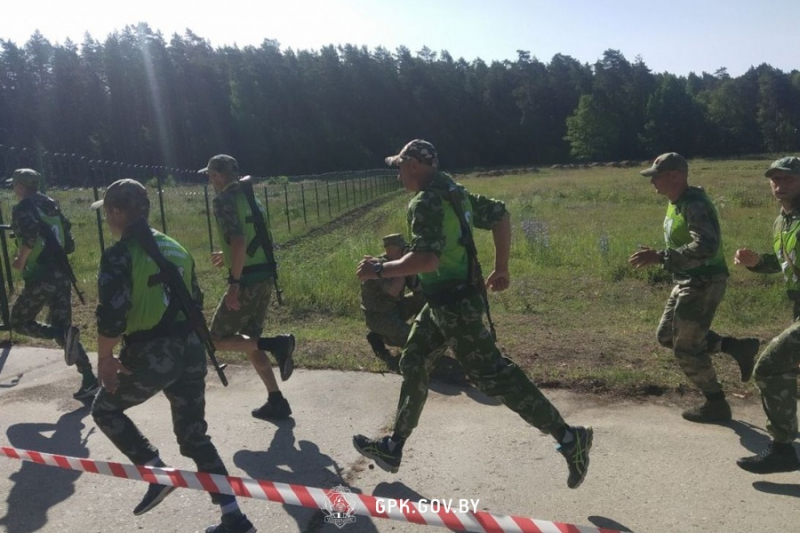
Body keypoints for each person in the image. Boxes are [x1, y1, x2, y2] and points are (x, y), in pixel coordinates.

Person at [352, 139, 593, 489]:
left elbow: (427, 260)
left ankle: (570, 440)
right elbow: (500, 214)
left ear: (414, 166)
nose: (398, 174)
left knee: (495, 376)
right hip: (443, 302)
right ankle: (393, 446)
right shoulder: (454, 191)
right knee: (415, 359)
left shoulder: (427, 201)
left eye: (400, 167)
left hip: (454, 306)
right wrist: (502, 267)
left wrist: (379, 269)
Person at [90, 179, 257, 533]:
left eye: (107, 212)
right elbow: (194, 300)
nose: (107, 219)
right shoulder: (176, 247)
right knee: (194, 435)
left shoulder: (120, 254)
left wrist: (105, 359)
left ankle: (155, 471)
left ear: (118, 212)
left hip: (154, 352)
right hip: (191, 350)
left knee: (104, 408)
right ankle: (233, 516)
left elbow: (113, 316)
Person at [629, 152, 761, 423]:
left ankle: (716, 403)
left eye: (657, 177)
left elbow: (707, 245)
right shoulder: (677, 202)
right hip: (687, 279)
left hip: (704, 280)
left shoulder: (694, 204)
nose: (652, 182)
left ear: (675, 176)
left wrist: (662, 256)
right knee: (667, 335)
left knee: (686, 347)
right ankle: (735, 347)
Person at [200, 154, 295, 421]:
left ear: (218, 176)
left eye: (209, 176)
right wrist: (227, 254)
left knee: (215, 339)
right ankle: (276, 400)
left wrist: (234, 283)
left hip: (248, 280)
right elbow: (252, 239)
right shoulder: (250, 197)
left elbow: (240, 241)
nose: (209, 182)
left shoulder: (224, 201)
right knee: (249, 341)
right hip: (264, 275)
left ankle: (278, 344)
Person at [732, 156, 800, 473]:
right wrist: (757, 262)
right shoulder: (783, 221)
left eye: (787, 178)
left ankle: (784, 449)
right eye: (774, 178)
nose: (779, 183)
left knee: (769, 368)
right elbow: (784, 264)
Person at [7, 168, 99, 400]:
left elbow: (29, 235)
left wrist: (20, 260)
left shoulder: (23, 208)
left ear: (20, 186)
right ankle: (89, 379)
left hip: (41, 274)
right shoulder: (51, 204)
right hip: (61, 272)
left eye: (14, 185)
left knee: (18, 321)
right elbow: (69, 243)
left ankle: (61, 334)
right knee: (64, 328)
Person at [361, 233, 425, 365]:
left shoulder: (401, 263)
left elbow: (419, 290)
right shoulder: (377, 266)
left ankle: (421, 327)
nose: (404, 252)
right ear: (389, 250)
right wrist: (402, 269)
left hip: (395, 309)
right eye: (400, 249)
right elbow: (393, 292)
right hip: (379, 316)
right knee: (416, 342)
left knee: (424, 297)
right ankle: (379, 337)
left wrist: (412, 270)